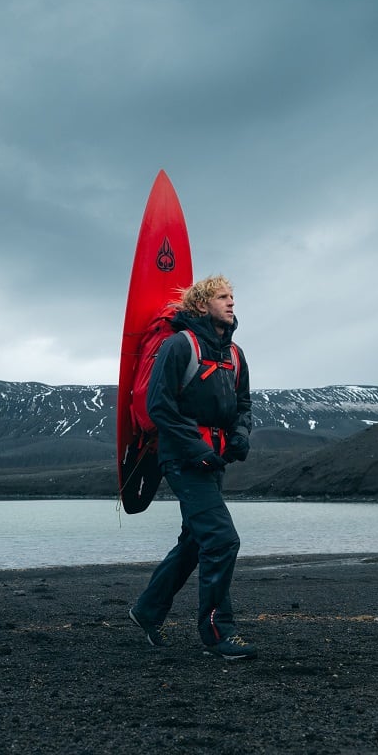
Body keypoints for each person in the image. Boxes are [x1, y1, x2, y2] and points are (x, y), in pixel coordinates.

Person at [127, 275, 258, 660]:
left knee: (197, 539)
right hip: (183, 458)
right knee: (222, 539)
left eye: (233, 296)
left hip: (215, 459)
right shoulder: (177, 346)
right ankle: (218, 632)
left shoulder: (235, 354)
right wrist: (195, 448)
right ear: (202, 305)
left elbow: (245, 404)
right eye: (222, 297)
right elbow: (160, 407)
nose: (231, 303)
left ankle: (147, 610)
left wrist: (240, 436)